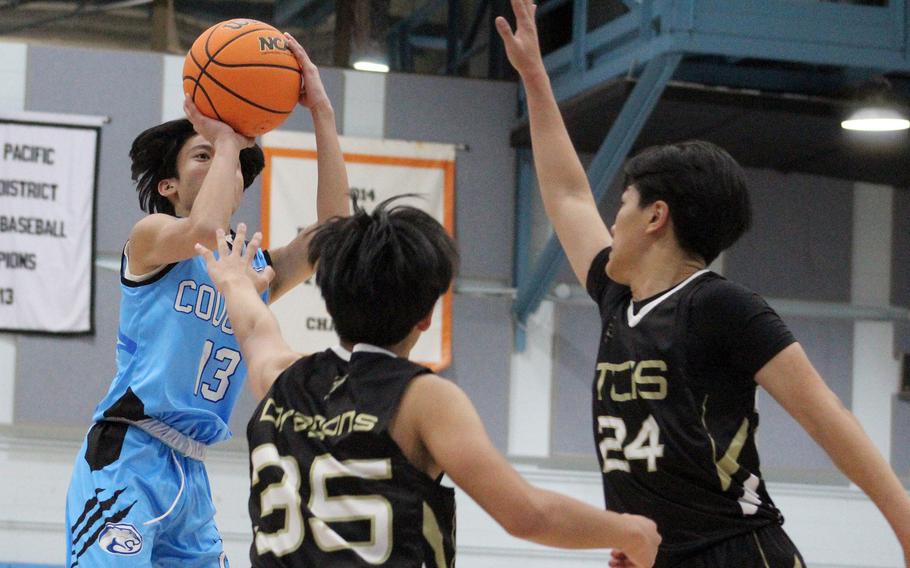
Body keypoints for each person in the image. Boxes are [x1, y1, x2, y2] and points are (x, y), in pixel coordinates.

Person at [495, 1, 910, 566]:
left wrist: (905, 523)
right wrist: (535, 78)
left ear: (655, 216)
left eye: (621, 204)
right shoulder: (618, 299)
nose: (610, 220)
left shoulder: (723, 307)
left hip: (737, 552)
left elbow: (826, 416)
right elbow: (567, 194)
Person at [196, 198, 661, 567]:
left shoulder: (280, 379)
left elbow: (255, 328)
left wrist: (235, 282)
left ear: (330, 302)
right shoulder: (423, 399)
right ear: (426, 316)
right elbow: (526, 514)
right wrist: (631, 531)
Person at [65, 35, 350, 567]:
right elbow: (204, 227)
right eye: (205, 154)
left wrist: (323, 115)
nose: (226, 159)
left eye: (233, 159)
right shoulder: (152, 238)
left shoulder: (249, 271)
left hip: (191, 469)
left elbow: (336, 233)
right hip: (128, 454)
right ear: (169, 185)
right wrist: (226, 136)